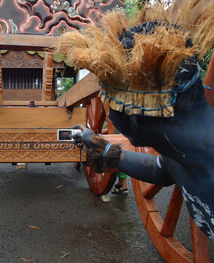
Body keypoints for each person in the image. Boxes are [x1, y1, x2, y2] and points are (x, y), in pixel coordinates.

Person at [57, 0, 214, 239]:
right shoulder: (179, 152)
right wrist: (105, 148)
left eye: (113, 106)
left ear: (134, 120)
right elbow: (156, 169)